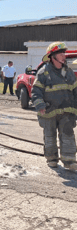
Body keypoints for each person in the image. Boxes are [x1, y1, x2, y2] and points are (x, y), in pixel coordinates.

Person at [31, 42, 77, 170]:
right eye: (61, 53)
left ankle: (69, 161)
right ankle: (52, 159)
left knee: (68, 134)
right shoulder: (43, 73)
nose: (64, 55)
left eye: (64, 53)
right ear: (52, 56)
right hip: (49, 112)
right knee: (50, 136)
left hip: (67, 113)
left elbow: (75, 91)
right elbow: (36, 92)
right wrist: (40, 105)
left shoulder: (69, 73)